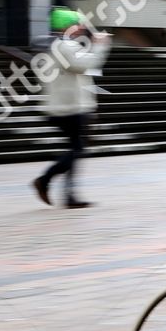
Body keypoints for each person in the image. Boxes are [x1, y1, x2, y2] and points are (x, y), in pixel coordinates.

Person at [32, 11, 110, 209]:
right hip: (71, 108)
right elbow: (84, 65)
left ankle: (69, 195)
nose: (81, 27)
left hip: (63, 106)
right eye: (77, 24)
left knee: (74, 149)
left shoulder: (55, 45)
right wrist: (101, 46)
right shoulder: (65, 46)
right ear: (68, 26)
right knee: (77, 149)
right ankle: (45, 180)